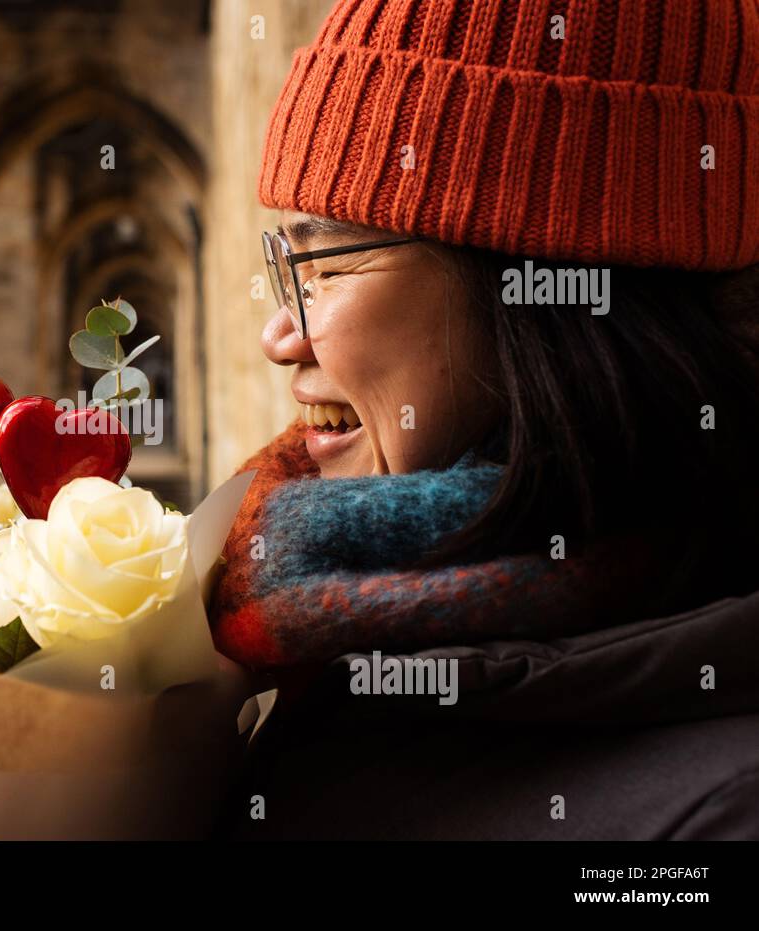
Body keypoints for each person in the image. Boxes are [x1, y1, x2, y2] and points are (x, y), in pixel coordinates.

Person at [210, 0, 759, 839]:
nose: (278, 334)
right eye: (284, 263)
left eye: (325, 259)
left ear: (536, 297)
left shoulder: (722, 810)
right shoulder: (330, 623)